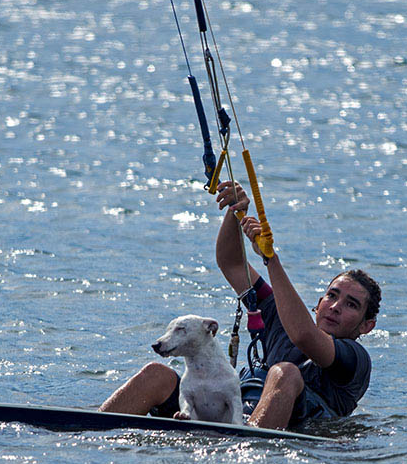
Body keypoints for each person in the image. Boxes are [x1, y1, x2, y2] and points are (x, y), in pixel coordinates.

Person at [100, 181, 380, 429]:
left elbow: (305, 336)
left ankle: (247, 446)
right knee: (156, 373)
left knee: (285, 372)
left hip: (280, 428)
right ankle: (88, 430)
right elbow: (232, 264)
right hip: (228, 413)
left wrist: (271, 259)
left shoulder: (355, 359)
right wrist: (236, 213)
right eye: (332, 296)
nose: (335, 306)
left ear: (367, 326)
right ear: (318, 304)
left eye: (351, 304)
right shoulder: (279, 316)